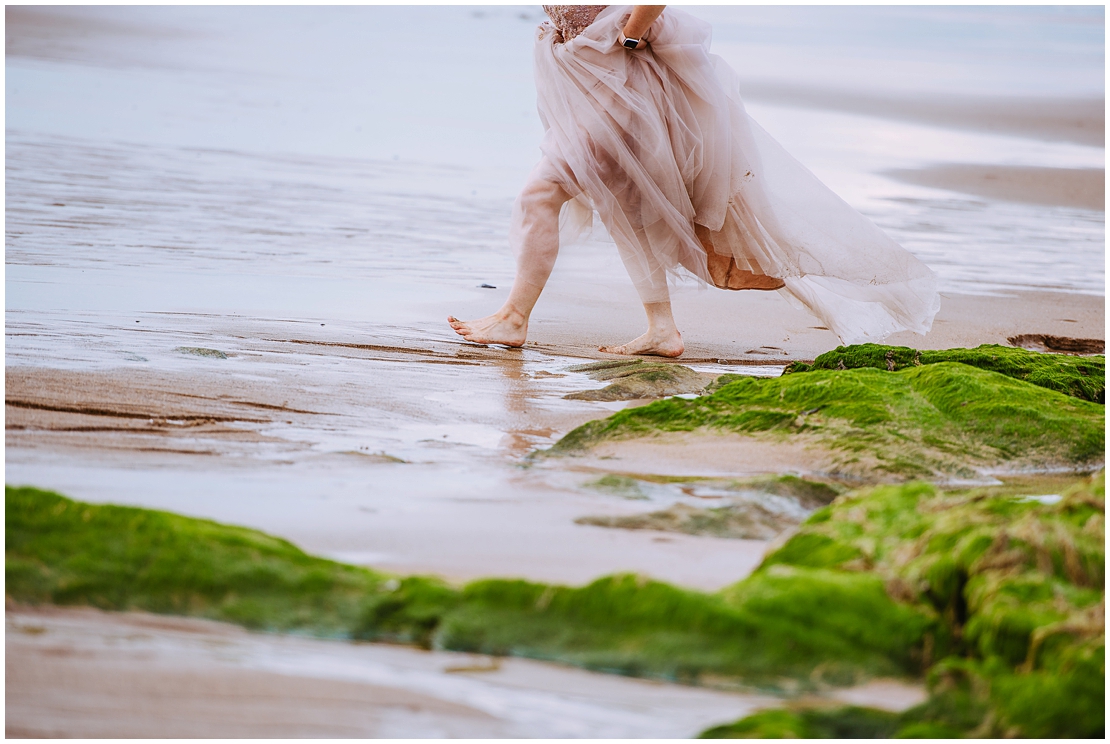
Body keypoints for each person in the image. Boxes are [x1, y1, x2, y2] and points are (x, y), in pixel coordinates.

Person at [449, 5, 940, 357]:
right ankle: (661, 329)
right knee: (627, 211)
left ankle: (514, 317)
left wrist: (631, 36)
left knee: (542, 193)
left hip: (619, 74)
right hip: (582, 70)